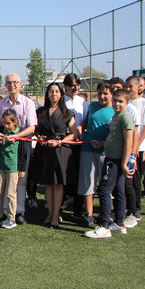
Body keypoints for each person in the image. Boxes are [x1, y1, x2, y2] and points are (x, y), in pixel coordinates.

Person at [85, 89, 134, 238]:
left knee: (104, 190)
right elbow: (114, 139)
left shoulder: (126, 118)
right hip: (111, 157)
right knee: (118, 190)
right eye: (116, 101)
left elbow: (128, 142)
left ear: (127, 103)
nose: (117, 104)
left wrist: (125, 163)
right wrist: (101, 144)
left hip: (116, 160)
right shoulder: (116, 116)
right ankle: (119, 223)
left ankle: (104, 225)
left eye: (121, 102)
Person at [0, 72, 37, 225]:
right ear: (5, 85)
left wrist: (17, 137)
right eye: (9, 82)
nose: (12, 85)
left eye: (15, 82)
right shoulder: (1, 104)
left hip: (22, 145)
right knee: (3, 183)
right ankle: (3, 212)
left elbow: (32, 127)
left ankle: (19, 212)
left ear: (20, 84)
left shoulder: (28, 103)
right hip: (5, 146)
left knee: (20, 180)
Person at [32, 82, 78, 229]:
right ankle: (50, 214)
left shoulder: (67, 113)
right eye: (51, 92)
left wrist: (59, 142)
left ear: (61, 94)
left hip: (60, 152)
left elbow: (75, 134)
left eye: (57, 92)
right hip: (44, 151)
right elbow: (37, 129)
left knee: (58, 184)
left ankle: (55, 216)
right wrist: (39, 137)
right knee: (47, 184)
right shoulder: (41, 112)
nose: (54, 94)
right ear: (47, 94)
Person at [78, 81, 115, 227]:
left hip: (106, 152)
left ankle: (105, 213)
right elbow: (86, 122)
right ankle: (89, 214)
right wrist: (80, 128)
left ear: (111, 94)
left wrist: (102, 143)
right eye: (99, 93)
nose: (102, 96)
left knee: (105, 185)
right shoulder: (92, 106)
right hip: (87, 149)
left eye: (105, 93)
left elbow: (116, 135)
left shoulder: (115, 110)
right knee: (88, 182)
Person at [0, 109, 27, 229]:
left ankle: (11, 218)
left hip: (13, 168)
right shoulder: (1, 132)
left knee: (11, 194)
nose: (6, 126)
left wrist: (22, 169)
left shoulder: (19, 135)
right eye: (4, 123)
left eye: (8, 123)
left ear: (15, 122)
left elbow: (23, 154)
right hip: (0, 166)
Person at [125, 75, 145, 227]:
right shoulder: (125, 102)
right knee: (125, 181)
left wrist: (136, 149)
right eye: (126, 86)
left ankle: (136, 211)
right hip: (125, 148)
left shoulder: (144, 103)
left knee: (135, 181)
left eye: (131, 86)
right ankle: (126, 208)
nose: (128, 89)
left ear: (139, 87)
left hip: (137, 150)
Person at [62, 73, 88, 217]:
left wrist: (80, 128)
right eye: (73, 85)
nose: (76, 87)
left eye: (78, 84)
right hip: (64, 143)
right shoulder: (61, 100)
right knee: (64, 173)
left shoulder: (82, 101)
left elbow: (85, 119)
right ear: (65, 87)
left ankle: (78, 205)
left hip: (79, 143)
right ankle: (64, 199)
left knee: (78, 174)